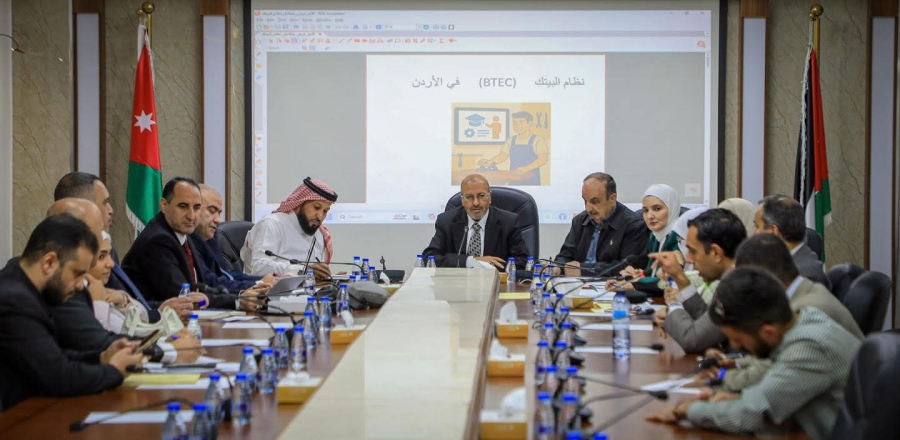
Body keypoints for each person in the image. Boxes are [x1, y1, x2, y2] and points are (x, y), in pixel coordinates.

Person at [647, 267, 861, 440]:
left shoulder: (809, 346)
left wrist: (686, 410)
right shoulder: (801, 319)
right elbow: (771, 382)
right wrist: (732, 397)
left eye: (738, 339)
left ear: (768, 332)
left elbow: (749, 415)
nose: (734, 346)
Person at [0, 214, 144, 410]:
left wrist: (102, 357)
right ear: (49, 262)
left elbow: (52, 356)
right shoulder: (15, 300)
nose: (80, 285)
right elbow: (58, 376)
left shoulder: (26, 286)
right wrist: (114, 371)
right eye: (77, 273)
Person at [42, 200, 201, 365]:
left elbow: (129, 326)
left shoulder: (89, 281)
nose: (109, 263)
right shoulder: (62, 288)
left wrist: (163, 341)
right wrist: (167, 349)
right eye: (95, 233)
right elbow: (100, 344)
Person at [699, 233, 863, 392]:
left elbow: (772, 373)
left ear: (766, 278)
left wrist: (722, 380)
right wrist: (734, 362)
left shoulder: (807, 309)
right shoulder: (803, 292)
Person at [53, 172, 194, 322]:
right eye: (105, 203)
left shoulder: (108, 247)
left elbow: (127, 301)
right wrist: (159, 313)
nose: (111, 209)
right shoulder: (68, 262)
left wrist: (161, 309)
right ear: (85, 207)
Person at [652, 209, 746, 353]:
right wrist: (679, 277)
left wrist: (673, 308)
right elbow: (706, 317)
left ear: (716, 253)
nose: (689, 259)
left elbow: (692, 340)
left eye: (693, 251)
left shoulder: (738, 287)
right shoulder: (734, 277)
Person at [123, 177, 224, 308]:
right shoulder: (157, 241)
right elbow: (183, 296)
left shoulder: (183, 233)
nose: (191, 216)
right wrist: (236, 302)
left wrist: (241, 296)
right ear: (164, 205)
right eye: (183, 206)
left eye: (196, 207)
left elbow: (200, 287)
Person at [189, 184, 274, 311]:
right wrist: (258, 283)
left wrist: (263, 280)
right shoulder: (186, 242)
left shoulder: (209, 239)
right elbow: (211, 281)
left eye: (219, 213)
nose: (218, 220)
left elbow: (226, 273)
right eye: (211, 211)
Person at [422, 174, 529, 269]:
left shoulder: (508, 222)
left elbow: (523, 261)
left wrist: (487, 266)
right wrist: (471, 261)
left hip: (494, 282)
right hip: (457, 283)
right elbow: (430, 258)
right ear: (462, 200)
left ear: (490, 197)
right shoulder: (446, 221)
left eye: (481, 196)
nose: (476, 203)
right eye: (469, 197)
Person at [554, 172, 649, 276]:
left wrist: (584, 270)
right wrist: (557, 267)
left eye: (595, 201)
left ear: (612, 199)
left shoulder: (633, 225)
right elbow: (565, 256)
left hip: (610, 283)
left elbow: (627, 267)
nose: (588, 208)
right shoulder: (579, 221)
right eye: (585, 201)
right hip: (575, 282)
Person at [242, 177, 336, 280]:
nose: (320, 216)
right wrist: (303, 270)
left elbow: (313, 276)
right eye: (316, 207)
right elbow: (259, 268)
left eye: (325, 211)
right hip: (266, 289)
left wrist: (330, 279)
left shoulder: (319, 234)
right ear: (299, 204)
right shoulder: (272, 224)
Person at [605, 184, 681, 293]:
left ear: (672, 208)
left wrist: (635, 284)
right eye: (646, 210)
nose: (649, 216)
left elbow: (670, 281)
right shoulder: (655, 236)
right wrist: (640, 275)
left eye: (657, 209)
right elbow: (654, 272)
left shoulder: (679, 238)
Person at [753, 195, 830, 289]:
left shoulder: (804, 276)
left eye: (757, 226)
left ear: (774, 231)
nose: (754, 233)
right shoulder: (783, 262)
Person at [477, 111, 548, 186]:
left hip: (531, 180)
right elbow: (502, 156)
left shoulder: (538, 140)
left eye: (521, 123)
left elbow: (543, 159)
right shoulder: (511, 140)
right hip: (514, 178)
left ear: (529, 123)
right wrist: (489, 162)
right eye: (515, 123)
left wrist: (525, 169)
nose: (517, 126)